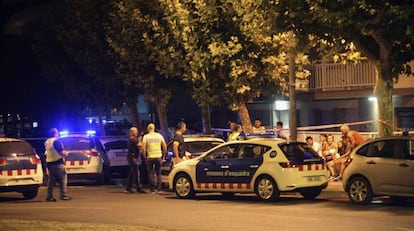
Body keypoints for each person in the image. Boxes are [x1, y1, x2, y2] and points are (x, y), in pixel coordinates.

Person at [44, 128, 71, 201]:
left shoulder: (47, 142)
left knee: (51, 181)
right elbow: (62, 153)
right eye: (57, 132)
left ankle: (49, 197)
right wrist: (66, 153)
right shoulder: (56, 142)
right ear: (55, 133)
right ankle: (64, 195)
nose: (58, 134)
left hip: (49, 163)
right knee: (63, 179)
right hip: (58, 163)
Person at [142, 123, 167, 194]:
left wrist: (144, 156)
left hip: (150, 156)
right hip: (158, 156)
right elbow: (164, 146)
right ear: (154, 128)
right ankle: (159, 189)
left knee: (150, 173)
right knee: (159, 173)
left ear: (148, 129)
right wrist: (164, 155)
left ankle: (152, 189)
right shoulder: (159, 136)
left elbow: (143, 148)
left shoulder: (146, 137)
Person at [124, 127, 146, 194]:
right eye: (135, 131)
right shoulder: (133, 139)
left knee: (132, 173)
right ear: (132, 132)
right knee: (136, 173)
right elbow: (139, 145)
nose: (136, 132)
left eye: (136, 130)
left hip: (132, 157)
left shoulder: (133, 138)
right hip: (132, 158)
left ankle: (128, 188)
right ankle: (138, 188)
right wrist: (142, 139)